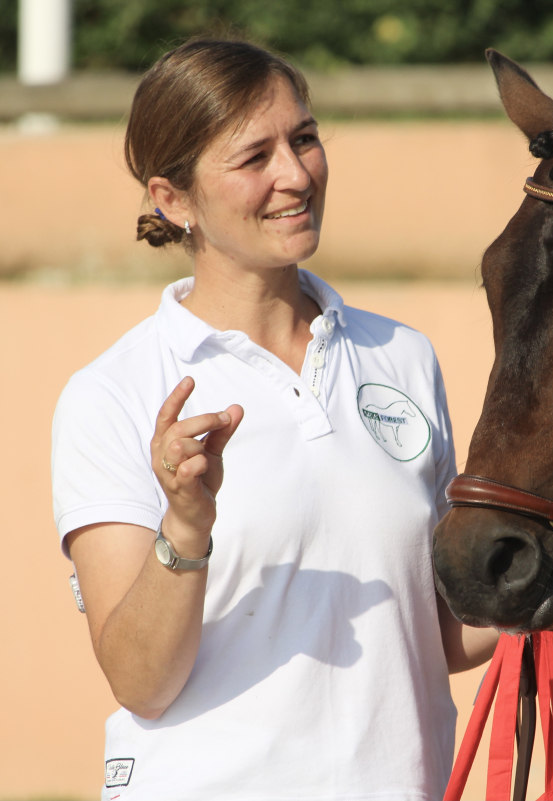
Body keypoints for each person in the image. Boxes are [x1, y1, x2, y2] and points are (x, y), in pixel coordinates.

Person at [50, 37, 497, 800]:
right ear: (173, 199)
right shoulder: (112, 393)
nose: (296, 174)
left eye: (306, 138)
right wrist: (186, 525)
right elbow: (140, 681)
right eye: (255, 156)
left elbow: (440, 633)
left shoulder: (402, 357)